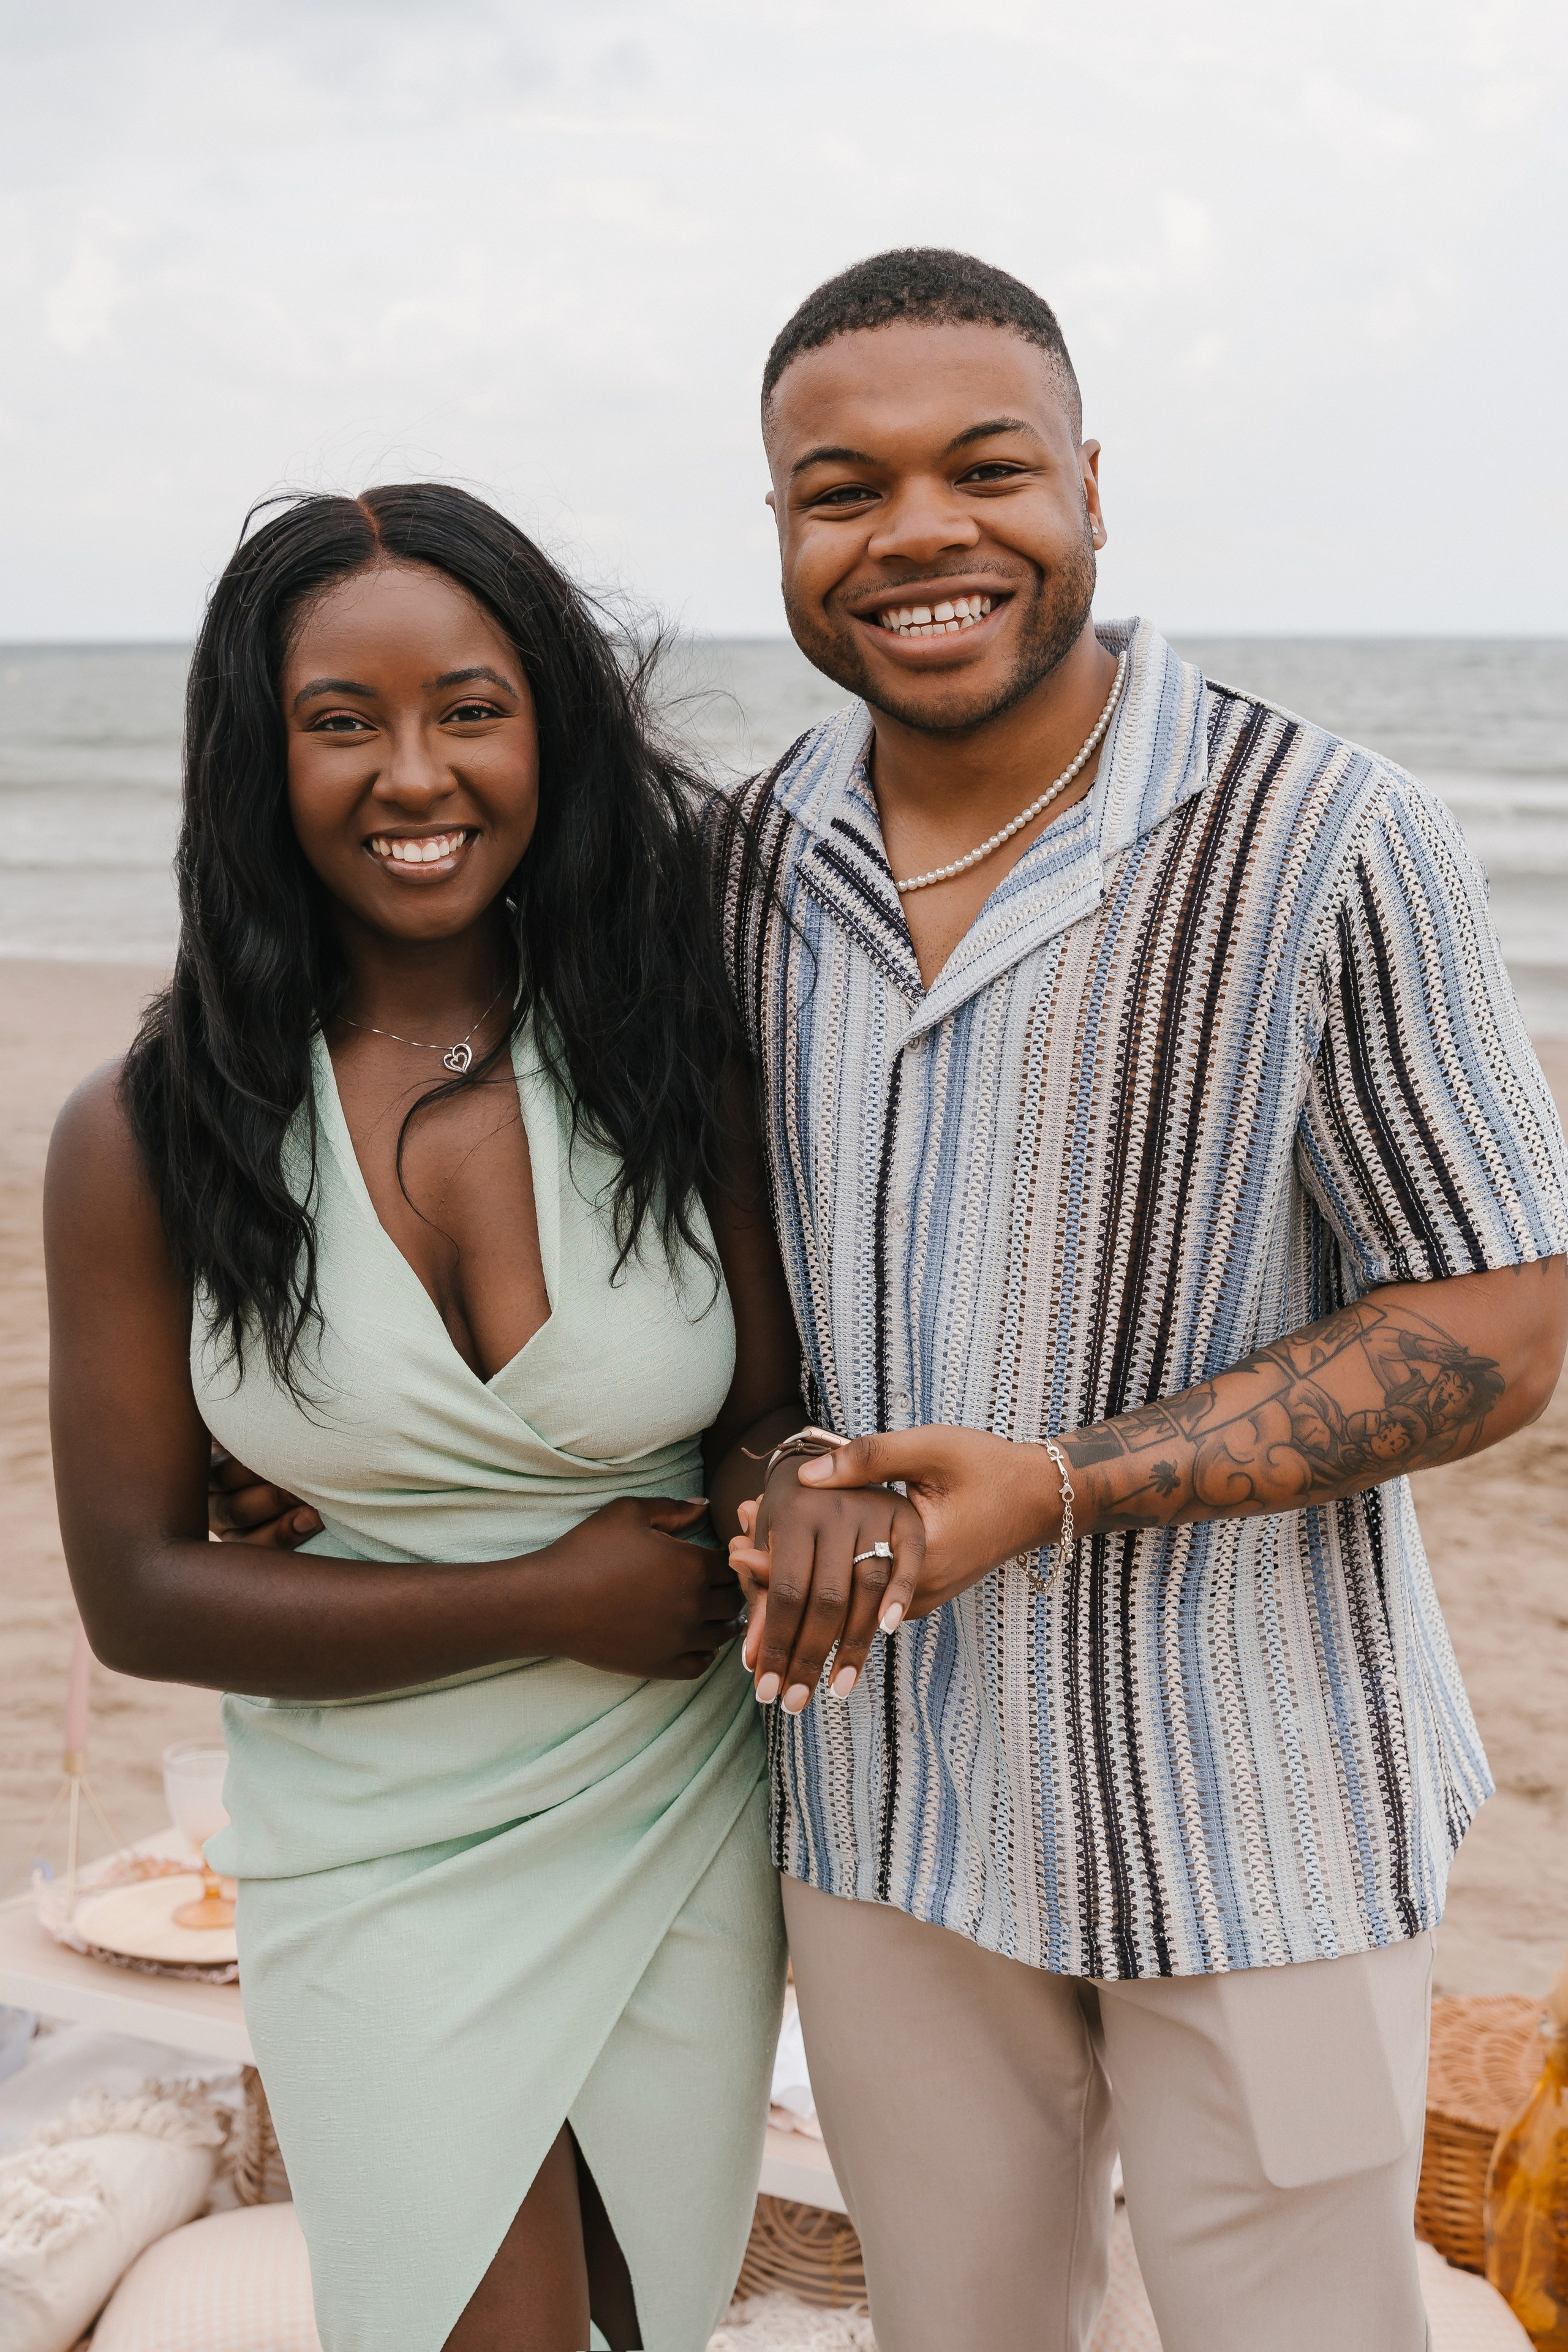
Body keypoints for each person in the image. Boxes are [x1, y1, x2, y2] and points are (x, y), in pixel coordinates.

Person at [710, 249, 1568, 2352]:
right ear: (785, 533)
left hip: (1254, 1812)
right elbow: (716, 1299)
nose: (919, 531)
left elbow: (1503, 1320)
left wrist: (1062, 1487)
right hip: (887, 1809)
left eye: (985, 466)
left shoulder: (1329, 835)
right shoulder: (732, 863)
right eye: (844, 489)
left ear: (1090, 483)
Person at [43, 484, 811, 2352]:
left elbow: (775, 1415)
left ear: (545, 723)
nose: (415, 773)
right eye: (342, 721)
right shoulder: (148, 1140)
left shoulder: (681, 1054)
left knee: (654, 2318)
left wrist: (769, 1497)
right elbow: (140, 1594)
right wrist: (546, 1596)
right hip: (371, 1843)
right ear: (258, 756)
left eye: (470, 709)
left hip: (674, 1810)